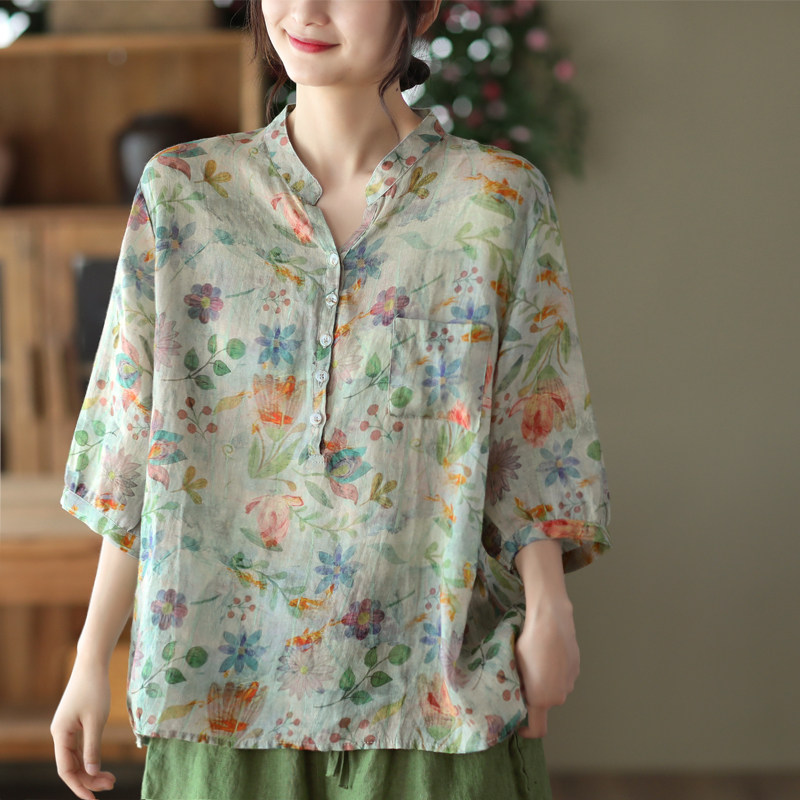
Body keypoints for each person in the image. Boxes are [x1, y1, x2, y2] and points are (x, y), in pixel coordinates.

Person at [50, 1, 612, 798]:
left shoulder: (495, 201)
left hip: (435, 697)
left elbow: (535, 434)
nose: (305, 11)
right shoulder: (184, 195)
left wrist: (552, 610)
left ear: (422, 8)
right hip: (218, 697)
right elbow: (136, 446)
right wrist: (90, 657)